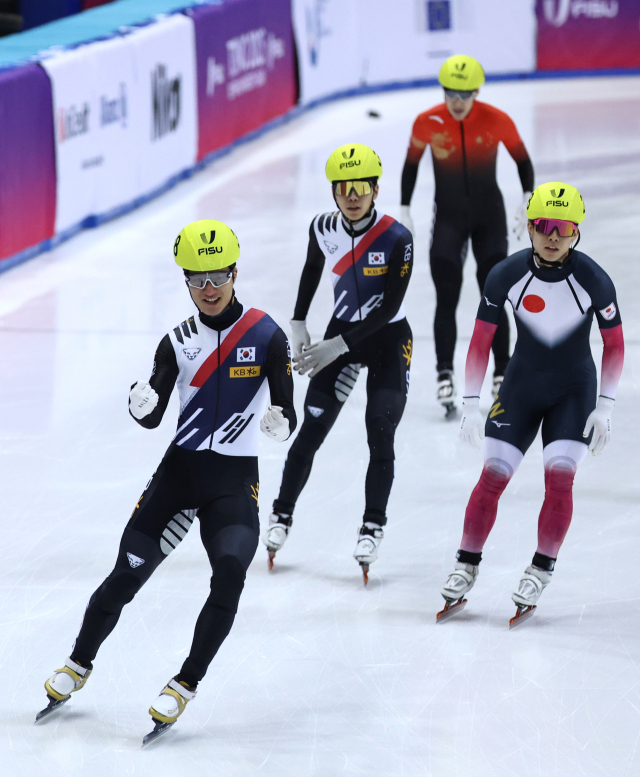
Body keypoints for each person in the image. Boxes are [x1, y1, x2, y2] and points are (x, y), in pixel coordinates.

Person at [37, 220, 296, 742]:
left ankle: (185, 682)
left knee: (229, 572)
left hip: (232, 482)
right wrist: (140, 405)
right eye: (196, 278)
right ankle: (78, 662)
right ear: (185, 281)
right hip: (178, 477)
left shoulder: (267, 334)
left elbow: (286, 407)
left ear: (235, 271)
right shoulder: (176, 342)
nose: (208, 287)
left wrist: (282, 421)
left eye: (217, 274)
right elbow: (153, 414)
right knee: (124, 576)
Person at [438, 182, 624, 625]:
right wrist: (469, 402)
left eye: (563, 228)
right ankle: (466, 564)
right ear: (530, 227)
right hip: (521, 387)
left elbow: (614, 345)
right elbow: (481, 340)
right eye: (543, 226)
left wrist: (605, 406)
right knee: (491, 478)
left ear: (576, 232)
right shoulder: (505, 274)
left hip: (573, 392)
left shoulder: (594, 280)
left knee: (559, 481)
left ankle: (540, 570)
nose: (552, 236)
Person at [262, 143, 414, 583]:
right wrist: (297, 321)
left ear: (376, 189)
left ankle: (372, 526)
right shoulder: (322, 227)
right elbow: (312, 268)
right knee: (310, 431)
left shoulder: (397, 237)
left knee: (379, 432)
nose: (353, 196)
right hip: (340, 334)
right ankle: (281, 516)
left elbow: (387, 309)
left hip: (386, 342)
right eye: (344, 187)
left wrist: (334, 347)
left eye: (361, 187)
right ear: (333, 191)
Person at [400, 54, 535, 417]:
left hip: (489, 219)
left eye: (464, 93)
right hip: (447, 221)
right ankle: (445, 372)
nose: (456, 101)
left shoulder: (496, 119)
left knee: (494, 297)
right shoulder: (427, 122)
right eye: (450, 93)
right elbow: (410, 165)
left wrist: (527, 198)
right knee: (447, 298)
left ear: (476, 92)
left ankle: (502, 371)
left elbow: (522, 160)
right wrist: (404, 209)